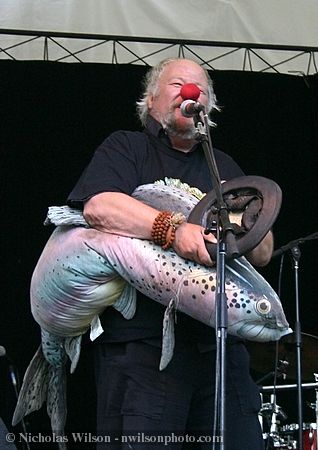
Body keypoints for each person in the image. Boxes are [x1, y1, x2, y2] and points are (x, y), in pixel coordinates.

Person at [67, 58, 273, 449]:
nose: (190, 93)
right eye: (178, 84)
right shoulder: (126, 147)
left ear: (208, 108)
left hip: (219, 350)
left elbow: (262, 252)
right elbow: (99, 207)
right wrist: (173, 230)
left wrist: (257, 217)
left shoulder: (224, 167)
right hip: (146, 348)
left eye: (200, 89)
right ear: (151, 99)